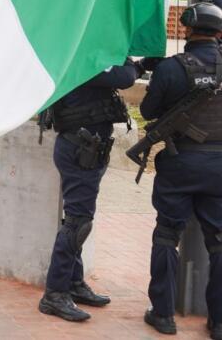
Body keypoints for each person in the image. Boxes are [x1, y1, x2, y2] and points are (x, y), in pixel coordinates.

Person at [139, 0, 222, 339]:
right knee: (221, 242)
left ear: (186, 31)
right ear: (219, 34)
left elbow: (149, 110)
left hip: (180, 164)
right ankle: (221, 323)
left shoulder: (171, 68)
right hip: (221, 167)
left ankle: (163, 315)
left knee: (167, 235)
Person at [36, 59, 143, 322]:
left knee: (79, 220)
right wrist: (138, 65)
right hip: (79, 148)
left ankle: (73, 283)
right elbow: (125, 76)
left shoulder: (90, 54)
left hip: (87, 147)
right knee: (78, 223)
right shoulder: (86, 57)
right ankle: (55, 294)